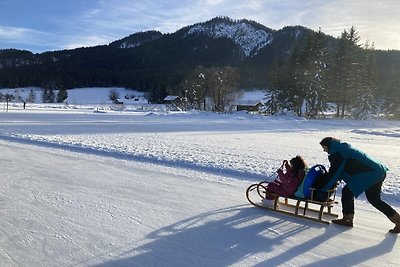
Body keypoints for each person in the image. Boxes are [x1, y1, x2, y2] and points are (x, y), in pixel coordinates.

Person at [319, 137, 400, 234]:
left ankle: (347, 219)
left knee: (347, 192)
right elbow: (341, 171)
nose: (324, 150)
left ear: (329, 146)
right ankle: (398, 221)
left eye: (324, 147)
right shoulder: (342, 149)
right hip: (378, 171)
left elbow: (334, 174)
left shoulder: (338, 154)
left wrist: (323, 190)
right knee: (374, 200)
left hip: (370, 174)